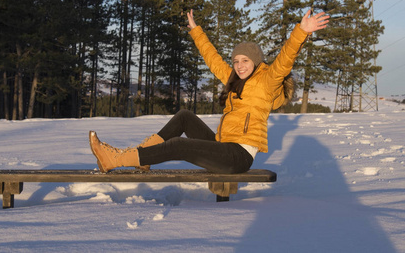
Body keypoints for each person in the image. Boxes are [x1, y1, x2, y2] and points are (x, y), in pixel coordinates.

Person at [89, 9, 329, 174]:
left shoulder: (267, 81)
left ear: (256, 62)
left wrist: (301, 32)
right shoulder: (234, 79)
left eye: (245, 60)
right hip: (223, 144)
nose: (239, 65)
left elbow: (285, 59)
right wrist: (196, 31)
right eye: (236, 61)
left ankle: (117, 159)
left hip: (238, 155)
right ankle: (143, 159)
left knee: (178, 146)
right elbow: (213, 58)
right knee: (184, 117)